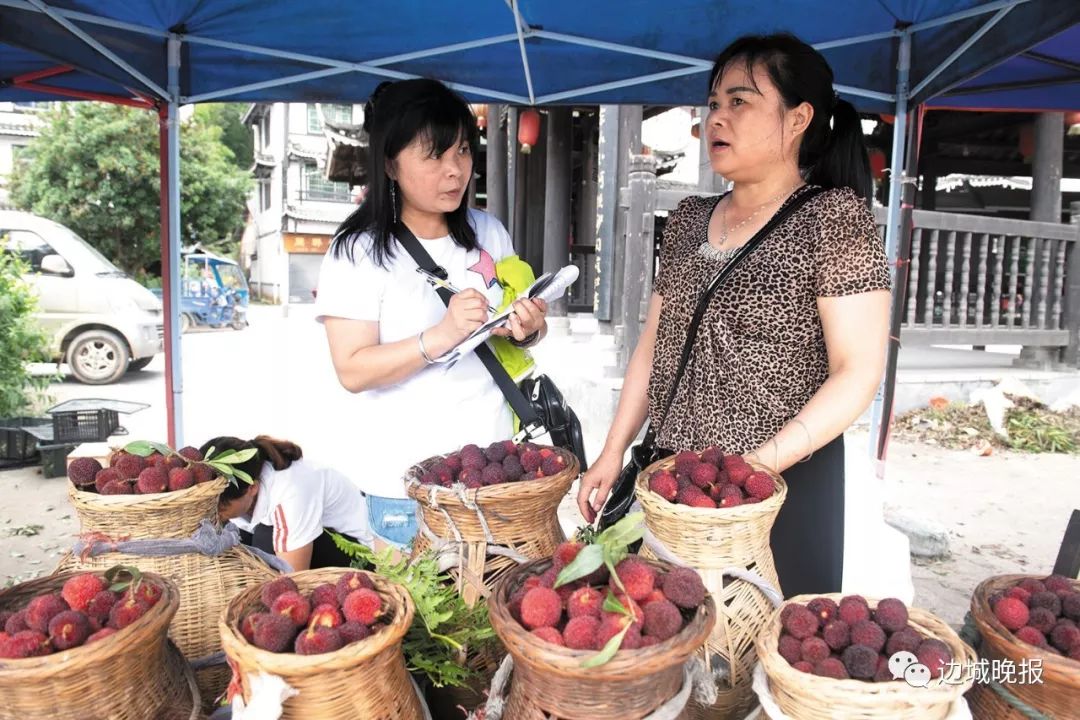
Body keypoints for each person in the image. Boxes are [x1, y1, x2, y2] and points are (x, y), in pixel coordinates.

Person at [577, 33, 891, 597]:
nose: (717, 118)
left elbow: (859, 369)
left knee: (763, 652)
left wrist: (760, 466)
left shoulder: (832, 218)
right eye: (714, 103)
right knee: (657, 636)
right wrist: (613, 450)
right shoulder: (689, 219)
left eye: (740, 102)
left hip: (782, 481)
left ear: (798, 120)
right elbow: (654, 343)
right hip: (673, 477)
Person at [315, 79, 548, 548]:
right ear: (389, 163)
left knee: (493, 611)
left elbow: (509, 335)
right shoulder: (356, 252)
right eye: (433, 155)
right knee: (417, 618)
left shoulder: (489, 232)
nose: (454, 171)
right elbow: (353, 369)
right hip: (403, 484)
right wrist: (437, 338)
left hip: (492, 470)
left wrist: (527, 329)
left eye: (462, 151)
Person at [201, 435, 373, 571]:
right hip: (315, 539)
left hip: (360, 558)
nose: (215, 512)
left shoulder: (290, 492)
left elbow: (293, 577)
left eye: (221, 508)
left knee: (265, 537)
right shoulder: (245, 486)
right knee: (229, 534)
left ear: (252, 488)